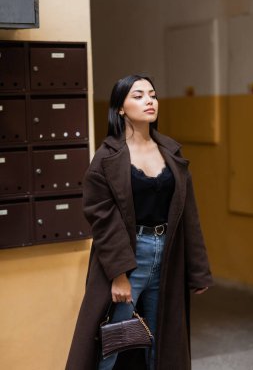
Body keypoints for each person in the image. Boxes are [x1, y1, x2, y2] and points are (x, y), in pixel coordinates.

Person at [66, 74, 213, 370]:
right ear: (120, 108)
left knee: (161, 339)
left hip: (167, 252)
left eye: (152, 94)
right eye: (138, 95)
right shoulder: (107, 158)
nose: (149, 100)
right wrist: (120, 273)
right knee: (114, 340)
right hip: (129, 255)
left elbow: (188, 215)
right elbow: (102, 219)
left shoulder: (171, 152)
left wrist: (198, 270)